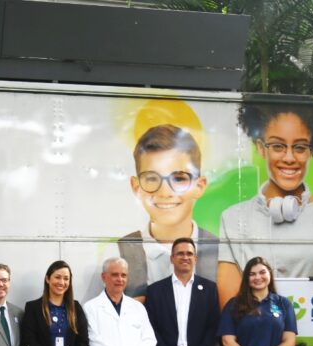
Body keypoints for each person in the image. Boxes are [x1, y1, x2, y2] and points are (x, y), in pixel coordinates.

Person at [217, 96, 313, 307]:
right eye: (278, 146)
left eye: (299, 147)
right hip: (261, 332)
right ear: (261, 148)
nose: (289, 158)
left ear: (311, 151)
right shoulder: (233, 218)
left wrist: (255, 296)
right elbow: (231, 309)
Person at [88, 124, 217, 301]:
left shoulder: (220, 252)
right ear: (136, 187)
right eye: (151, 178)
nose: (164, 192)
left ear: (199, 186)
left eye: (179, 178)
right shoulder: (117, 253)